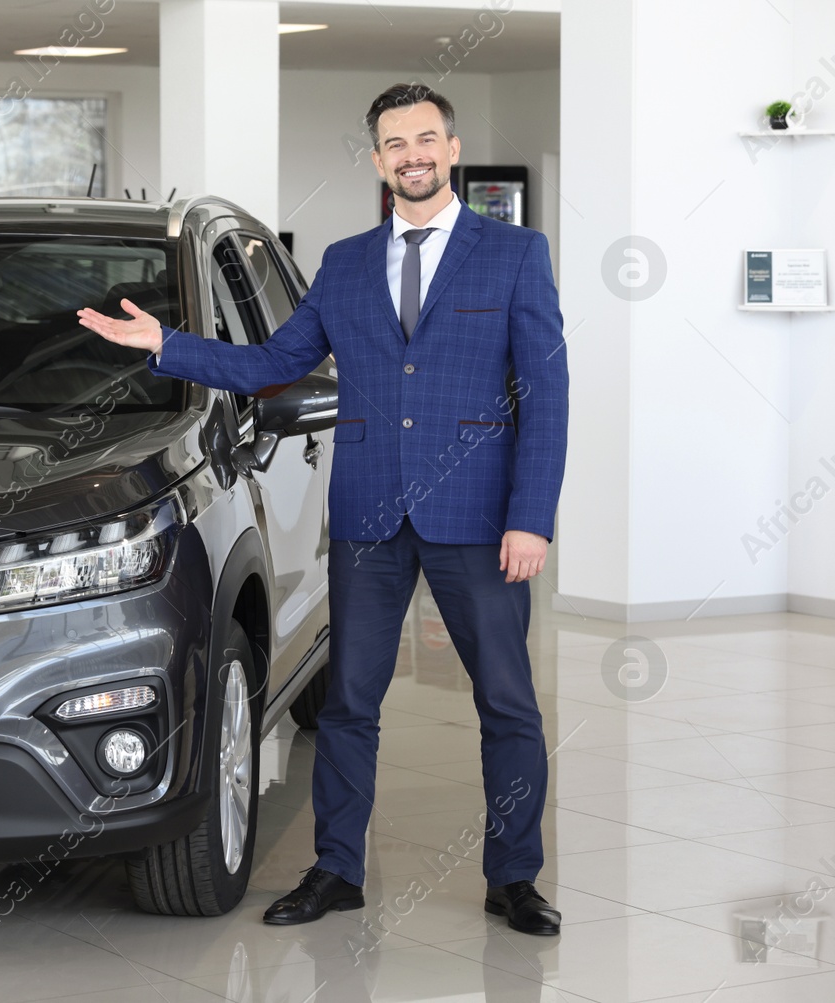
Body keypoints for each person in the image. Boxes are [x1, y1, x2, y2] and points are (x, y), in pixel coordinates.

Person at [74, 83, 569, 936]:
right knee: (348, 708)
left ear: (451, 149)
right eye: (394, 143)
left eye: (425, 139)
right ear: (378, 161)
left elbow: (547, 393)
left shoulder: (516, 253)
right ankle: (338, 868)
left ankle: (514, 876)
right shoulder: (343, 263)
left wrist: (533, 516)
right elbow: (274, 362)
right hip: (371, 516)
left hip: (480, 517)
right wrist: (168, 346)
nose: (411, 154)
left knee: (508, 705)